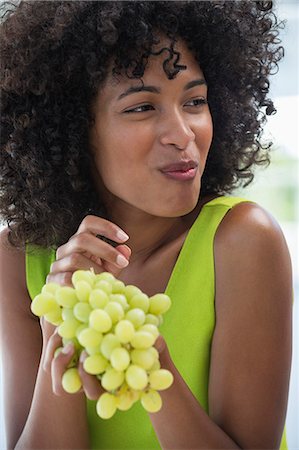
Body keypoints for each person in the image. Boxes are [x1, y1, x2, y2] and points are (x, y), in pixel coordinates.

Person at [0, 1, 293, 449]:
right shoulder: (18, 258)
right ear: (76, 131)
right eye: (141, 108)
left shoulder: (244, 241)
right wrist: (58, 343)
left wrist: (154, 370)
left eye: (195, 101)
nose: (183, 133)